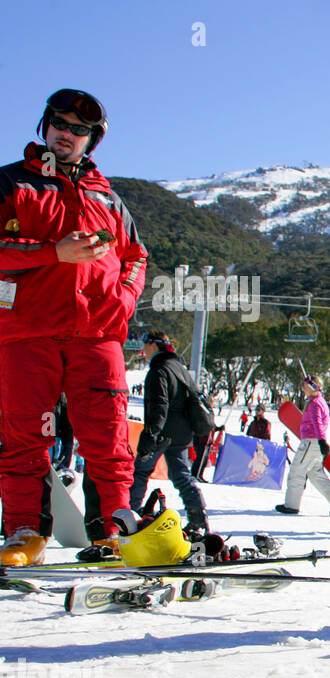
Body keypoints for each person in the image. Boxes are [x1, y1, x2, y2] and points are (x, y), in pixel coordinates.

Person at [0, 89, 147, 565]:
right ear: (44, 126)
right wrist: (52, 253)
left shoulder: (108, 197)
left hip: (97, 335)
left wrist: (121, 302)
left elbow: (135, 258)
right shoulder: (10, 184)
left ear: (92, 139)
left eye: (79, 129)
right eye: (59, 124)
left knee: (107, 436)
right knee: (24, 436)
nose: (67, 134)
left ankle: (112, 531)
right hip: (25, 332)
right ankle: (26, 534)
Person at [128, 331, 208, 538]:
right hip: (181, 433)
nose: (142, 349)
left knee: (140, 471)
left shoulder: (159, 370)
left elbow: (158, 406)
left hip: (162, 431)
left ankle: (130, 516)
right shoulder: (178, 367)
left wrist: (150, 435)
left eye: (145, 344)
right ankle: (198, 517)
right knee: (180, 475)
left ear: (154, 345)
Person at [276, 375, 330, 515]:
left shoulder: (315, 404)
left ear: (311, 387)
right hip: (315, 443)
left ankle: (291, 505)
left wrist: (321, 440)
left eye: (305, 386)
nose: (303, 389)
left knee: (297, 470)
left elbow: (317, 423)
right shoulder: (320, 402)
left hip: (311, 441)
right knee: (315, 473)